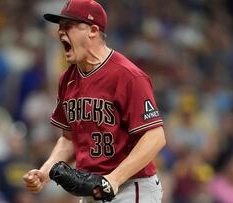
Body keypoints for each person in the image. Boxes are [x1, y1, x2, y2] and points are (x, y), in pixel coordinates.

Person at [23, 0, 166, 202]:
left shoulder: (127, 75)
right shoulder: (67, 79)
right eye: (60, 27)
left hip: (129, 187)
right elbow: (69, 139)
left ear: (93, 30)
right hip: (92, 190)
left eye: (69, 26)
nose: (60, 32)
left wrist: (113, 180)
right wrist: (45, 172)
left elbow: (155, 136)